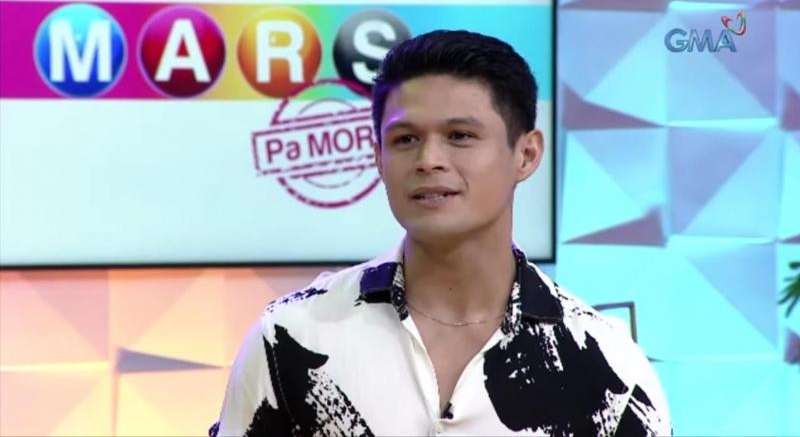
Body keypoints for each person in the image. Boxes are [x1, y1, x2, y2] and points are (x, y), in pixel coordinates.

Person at [210, 30, 671, 436]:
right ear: (378, 157)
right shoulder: (292, 336)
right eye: (405, 139)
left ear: (526, 154)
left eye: (460, 136)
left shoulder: (607, 363)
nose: (428, 160)